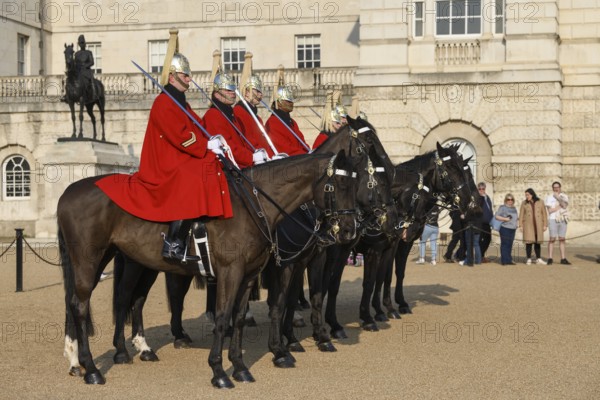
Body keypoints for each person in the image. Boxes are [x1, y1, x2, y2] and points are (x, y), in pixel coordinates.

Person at [95, 52, 233, 262]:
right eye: (184, 75)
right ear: (171, 77)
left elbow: (198, 127)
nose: (189, 79)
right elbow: (179, 136)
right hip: (165, 161)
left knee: (211, 165)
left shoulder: (182, 104)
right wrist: (205, 144)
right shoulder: (163, 102)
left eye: (188, 75)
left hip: (179, 155)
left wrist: (212, 139)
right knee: (193, 175)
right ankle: (174, 243)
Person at [203, 71, 259, 168]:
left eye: (233, 90)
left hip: (241, 163)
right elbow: (228, 147)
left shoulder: (231, 114)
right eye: (228, 90)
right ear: (217, 94)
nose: (232, 93)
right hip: (226, 167)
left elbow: (243, 142)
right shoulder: (213, 115)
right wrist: (251, 157)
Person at [265, 85, 310, 156]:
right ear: (278, 103)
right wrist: (303, 154)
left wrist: (309, 152)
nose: (291, 103)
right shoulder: (273, 122)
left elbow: (302, 143)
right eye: (288, 101)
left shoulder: (292, 122)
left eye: (291, 101)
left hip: (298, 159)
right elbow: (283, 148)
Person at [518, 188, 548, 265]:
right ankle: (528, 258)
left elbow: (544, 213)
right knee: (528, 242)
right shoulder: (524, 203)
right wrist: (521, 225)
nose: (527, 196)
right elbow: (521, 214)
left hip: (538, 225)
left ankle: (538, 258)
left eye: (528, 194)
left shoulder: (540, 202)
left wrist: (545, 225)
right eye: (526, 195)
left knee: (538, 242)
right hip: (528, 225)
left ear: (532, 194)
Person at [545, 181, 571, 265]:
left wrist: (558, 198)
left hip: (563, 219)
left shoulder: (564, 196)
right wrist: (560, 206)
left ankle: (563, 258)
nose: (556, 189)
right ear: (552, 188)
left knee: (562, 239)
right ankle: (550, 258)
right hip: (553, 219)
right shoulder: (549, 197)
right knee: (552, 239)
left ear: (560, 188)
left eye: (557, 187)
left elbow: (565, 205)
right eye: (554, 187)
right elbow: (550, 210)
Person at [459, 196, 484, 266]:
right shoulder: (480, 210)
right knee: (476, 244)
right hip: (478, 229)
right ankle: (478, 260)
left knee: (469, 245)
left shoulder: (471, 210)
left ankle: (468, 261)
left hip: (470, 229)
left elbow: (466, 219)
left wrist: (462, 217)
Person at [494, 193, 518, 265]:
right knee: (505, 244)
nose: (510, 201)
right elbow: (496, 216)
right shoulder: (502, 207)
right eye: (508, 199)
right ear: (506, 200)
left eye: (511, 199)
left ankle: (509, 260)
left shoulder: (514, 208)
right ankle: (504, 260)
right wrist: (505, 219)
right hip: (505, 228)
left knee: (510, 244)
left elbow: (516, 217)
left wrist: (517, 224)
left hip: (513, 229)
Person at [74, 34, 97, 101]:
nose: (82, 44)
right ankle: (68, 95)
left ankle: (94, 94)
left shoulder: (89, 52)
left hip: (86, 71)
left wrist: (85, 66)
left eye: (83, 43)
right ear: (79, 44)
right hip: (79, 71)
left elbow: (92, 62)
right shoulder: (76, 54)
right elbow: (75, 63)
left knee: (91, 82)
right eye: (80, 43)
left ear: (85, 43)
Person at [478, 182, 493, 263]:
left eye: (482, 189)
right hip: (480, 222)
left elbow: (490, 209)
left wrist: (492, 219)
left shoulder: (487, 197)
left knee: (488, 239)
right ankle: (480, 257)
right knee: (480, 240)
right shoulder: (478, 198)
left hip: (487, 222)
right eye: (479, 189)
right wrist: (481, 197)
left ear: (485, 189)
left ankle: (481, 255)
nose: (481, 190)